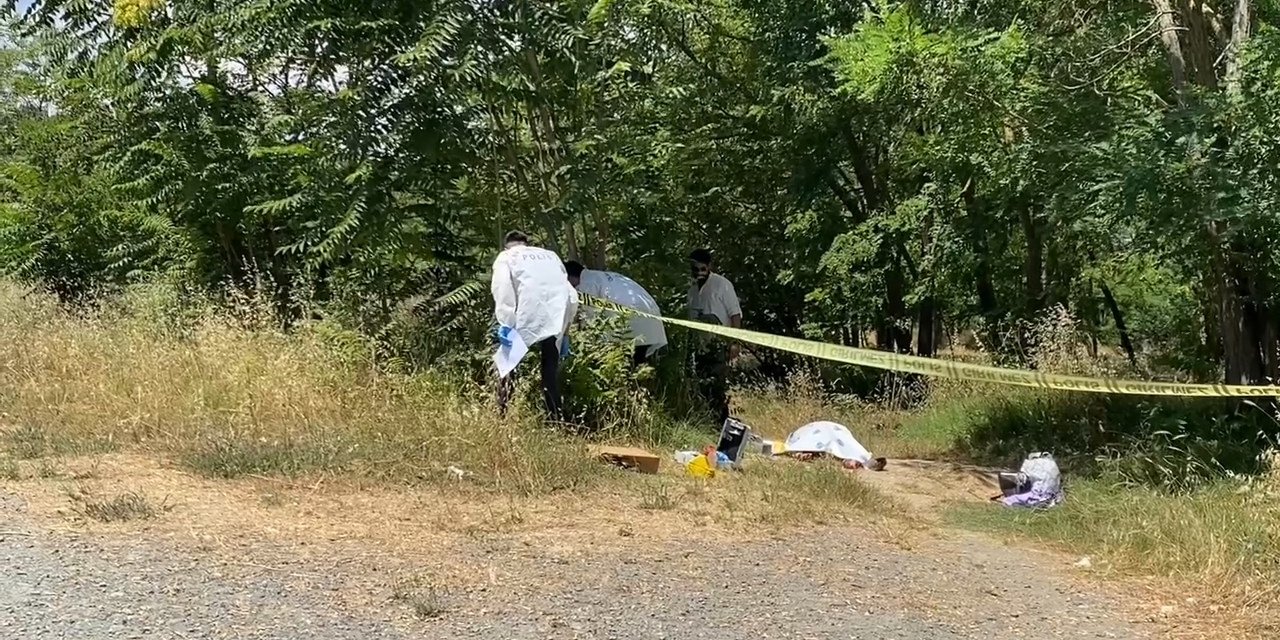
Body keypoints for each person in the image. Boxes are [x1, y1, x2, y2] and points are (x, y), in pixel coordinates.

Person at [491, 230, 579, 421]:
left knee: (508, 367)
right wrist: (566, 330)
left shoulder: (506, 256)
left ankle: (501, 416)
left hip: (525, 315)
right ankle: (556, 420)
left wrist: (506, 322)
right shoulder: (550, 256)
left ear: (507, 245)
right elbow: (571, 294)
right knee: (550, 373)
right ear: (526, 243)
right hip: (556, 315)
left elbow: (503, 288)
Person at [563, 260, 668, 366]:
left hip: (631, 319)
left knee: (624, 362)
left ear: (570, 277)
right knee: (638, 361)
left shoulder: (587, 284)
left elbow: (591, 322)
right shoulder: (603, 276)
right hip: (649, 314)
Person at [687, 248, 741, 425]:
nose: (697, 272)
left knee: (717, 385)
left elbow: (735, 315)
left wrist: (735, 342)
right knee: (700, 384)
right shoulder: (691, 288)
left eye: (701, 267)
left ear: (709, 266)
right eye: (694, 268)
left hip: (718, 344)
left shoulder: (722, 285)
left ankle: (720, 422)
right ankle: (704, 420)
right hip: (698, 345)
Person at [781, 420, 888, 471]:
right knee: (829, 440)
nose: (853, 467)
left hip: (836, 432)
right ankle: (800, 452)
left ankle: (860, 460)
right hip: (817, 430)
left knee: (838, 442)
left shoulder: (846, 451)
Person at [992, 452, 1063, 508]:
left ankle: (1027, 506)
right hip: (1054, 497)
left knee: (1007, 501)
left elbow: (1023, 479)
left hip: (1038, 497)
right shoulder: (1051, 463)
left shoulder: (1034, 464)